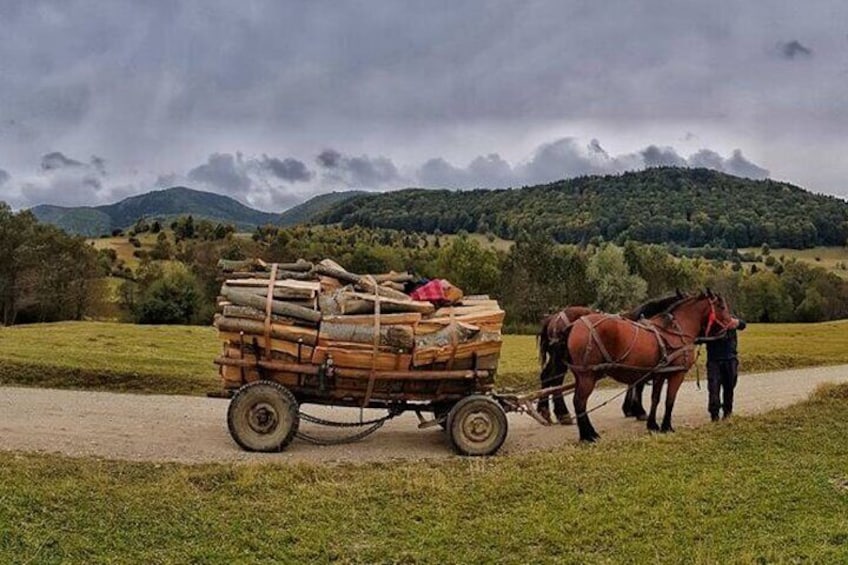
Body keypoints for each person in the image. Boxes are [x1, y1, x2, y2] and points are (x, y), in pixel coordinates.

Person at [705, 318, 747, 421]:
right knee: (713, 388)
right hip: (714, 360)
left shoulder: (729, 318)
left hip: (730, 359)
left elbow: (742, 325)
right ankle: (714, 415)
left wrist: (736, 322)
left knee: (729, 387)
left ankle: (727, 413)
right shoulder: (709, 322)